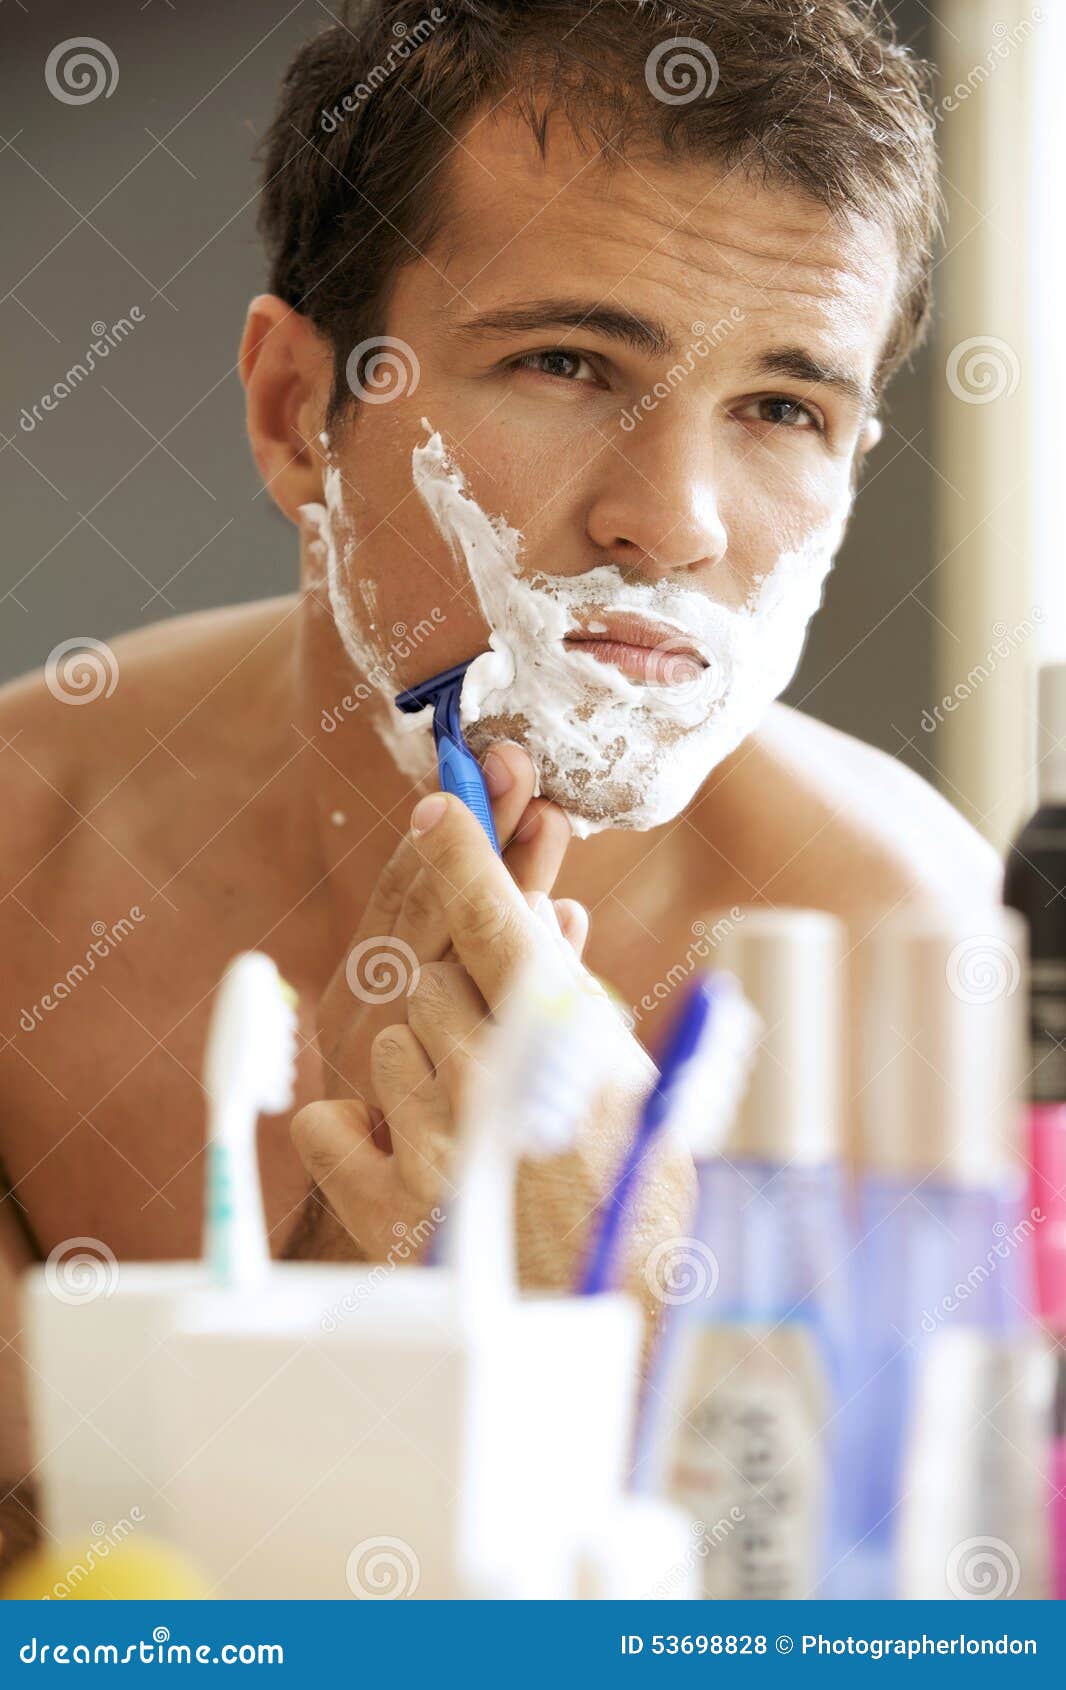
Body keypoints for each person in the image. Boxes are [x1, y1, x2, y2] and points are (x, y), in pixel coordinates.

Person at [0, 0, 997, 1567]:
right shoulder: (18, 865)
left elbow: (915, 1624)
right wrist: (361, 1290)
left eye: (781, 408)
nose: (669, 519)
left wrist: (643, 1286)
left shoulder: (911, 951)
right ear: (293, 415)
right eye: (564, 361)